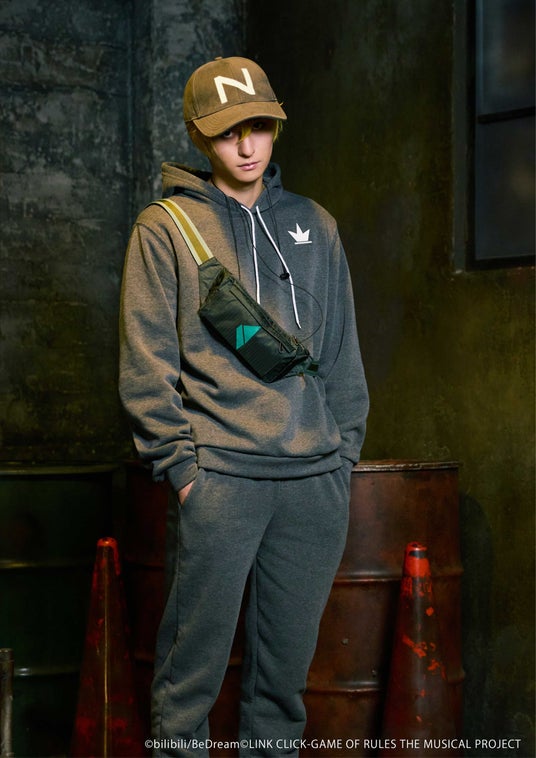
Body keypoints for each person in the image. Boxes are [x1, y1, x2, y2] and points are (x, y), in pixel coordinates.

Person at [119, 56, 369, 758]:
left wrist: (339, 460)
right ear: (200, 135)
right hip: (221, 482)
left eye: (259, 126)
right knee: (187, 687)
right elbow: (145, 366)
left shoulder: (315, 224)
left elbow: (343, 358)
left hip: (313, 483)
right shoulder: (165, 228)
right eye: (229, 131)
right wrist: (185, 472)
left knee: (283, 691)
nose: (247, 145)